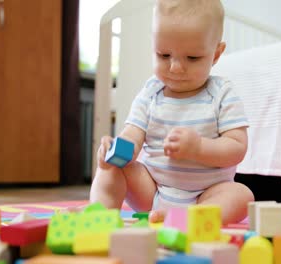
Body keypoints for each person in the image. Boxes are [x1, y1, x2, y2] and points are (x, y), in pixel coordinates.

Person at [90, 0, 254, 225]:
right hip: (152, 190)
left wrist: (198, 148)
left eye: (192, 58)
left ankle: (187, 219)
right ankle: (99, 217)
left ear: (216, 54)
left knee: (242, 196)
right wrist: (115, 150)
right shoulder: (150, 93)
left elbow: (237, 148)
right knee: (113, 167)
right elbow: (133, 136)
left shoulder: (222, 94)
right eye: (164, 55)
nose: (175, 67)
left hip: (206, 195)